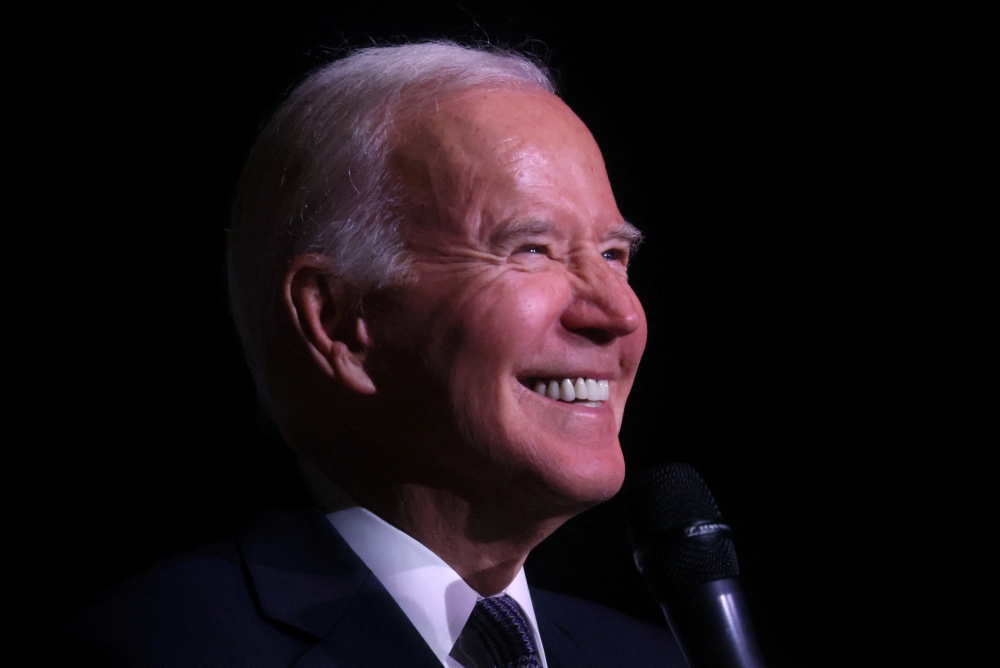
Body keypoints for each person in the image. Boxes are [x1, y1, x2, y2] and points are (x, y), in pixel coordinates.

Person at [66, 42, 689, 667]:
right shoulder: (162, 648)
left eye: (614, 255)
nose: (620, 314)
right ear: (340, 320)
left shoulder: (659, 658)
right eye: (531, 249)